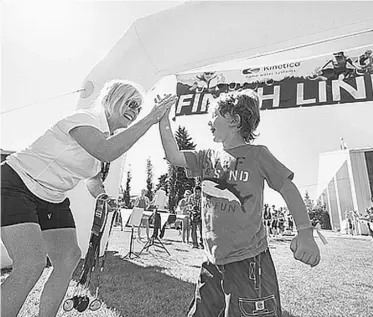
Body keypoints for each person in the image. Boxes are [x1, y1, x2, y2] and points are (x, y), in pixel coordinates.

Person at [0, 79, 177, 317]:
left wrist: (102, 196)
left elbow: (92, 179)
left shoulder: (108, 136)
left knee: (68, 258)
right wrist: (152, 118)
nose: (134, 111)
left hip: (52, 197)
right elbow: (104, 149)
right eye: (131, 103)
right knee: (31, 263)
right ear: (112, 98)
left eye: (138, 108)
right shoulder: (86, 119)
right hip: (15, 183)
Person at [159, 89, 320, 317]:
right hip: (212, 261)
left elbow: (287, 187)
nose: (208, 123)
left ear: (234, 120)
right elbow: (173, 156)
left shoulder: (258, 155)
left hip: (250, 262)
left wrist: (305, 233)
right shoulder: (206, 156)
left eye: (214, 115)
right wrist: (163, 119)